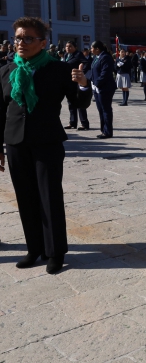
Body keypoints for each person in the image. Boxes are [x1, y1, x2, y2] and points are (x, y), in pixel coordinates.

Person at [0, 17, 92, 274]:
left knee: (49, 196)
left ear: (43, 43)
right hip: (16, 142)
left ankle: (55, 251)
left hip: (47, 141)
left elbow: (79, 103)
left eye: (28, 38)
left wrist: (84, 85)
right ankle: (34, 248)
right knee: (25, 196)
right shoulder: (7, 71)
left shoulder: (59, 69)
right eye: (18, 38)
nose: (21, 43)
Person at [88, 41, 116, 139]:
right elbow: (93, 71)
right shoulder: (96, 57)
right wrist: (90, 81)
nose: (91, 50)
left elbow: (105, 73)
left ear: (97, 49)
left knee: (106, 109)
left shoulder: (105, 57)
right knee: (101, 109)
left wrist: (97, 83)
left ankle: (108, 131)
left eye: (92, 48)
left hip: (105, 87)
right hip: (97, 87)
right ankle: (103, 130)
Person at [63, 41, 88, 130]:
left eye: (70, 46)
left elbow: (86, 63)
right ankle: (72, 122)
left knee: (80, 102)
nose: (68, 48)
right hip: (68, 82)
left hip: (76, 82)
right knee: (71, 103)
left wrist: (80, 73)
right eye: (66, 46)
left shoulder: (78, 54)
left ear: (75, 47)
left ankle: (84, 123)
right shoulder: (66, 55)